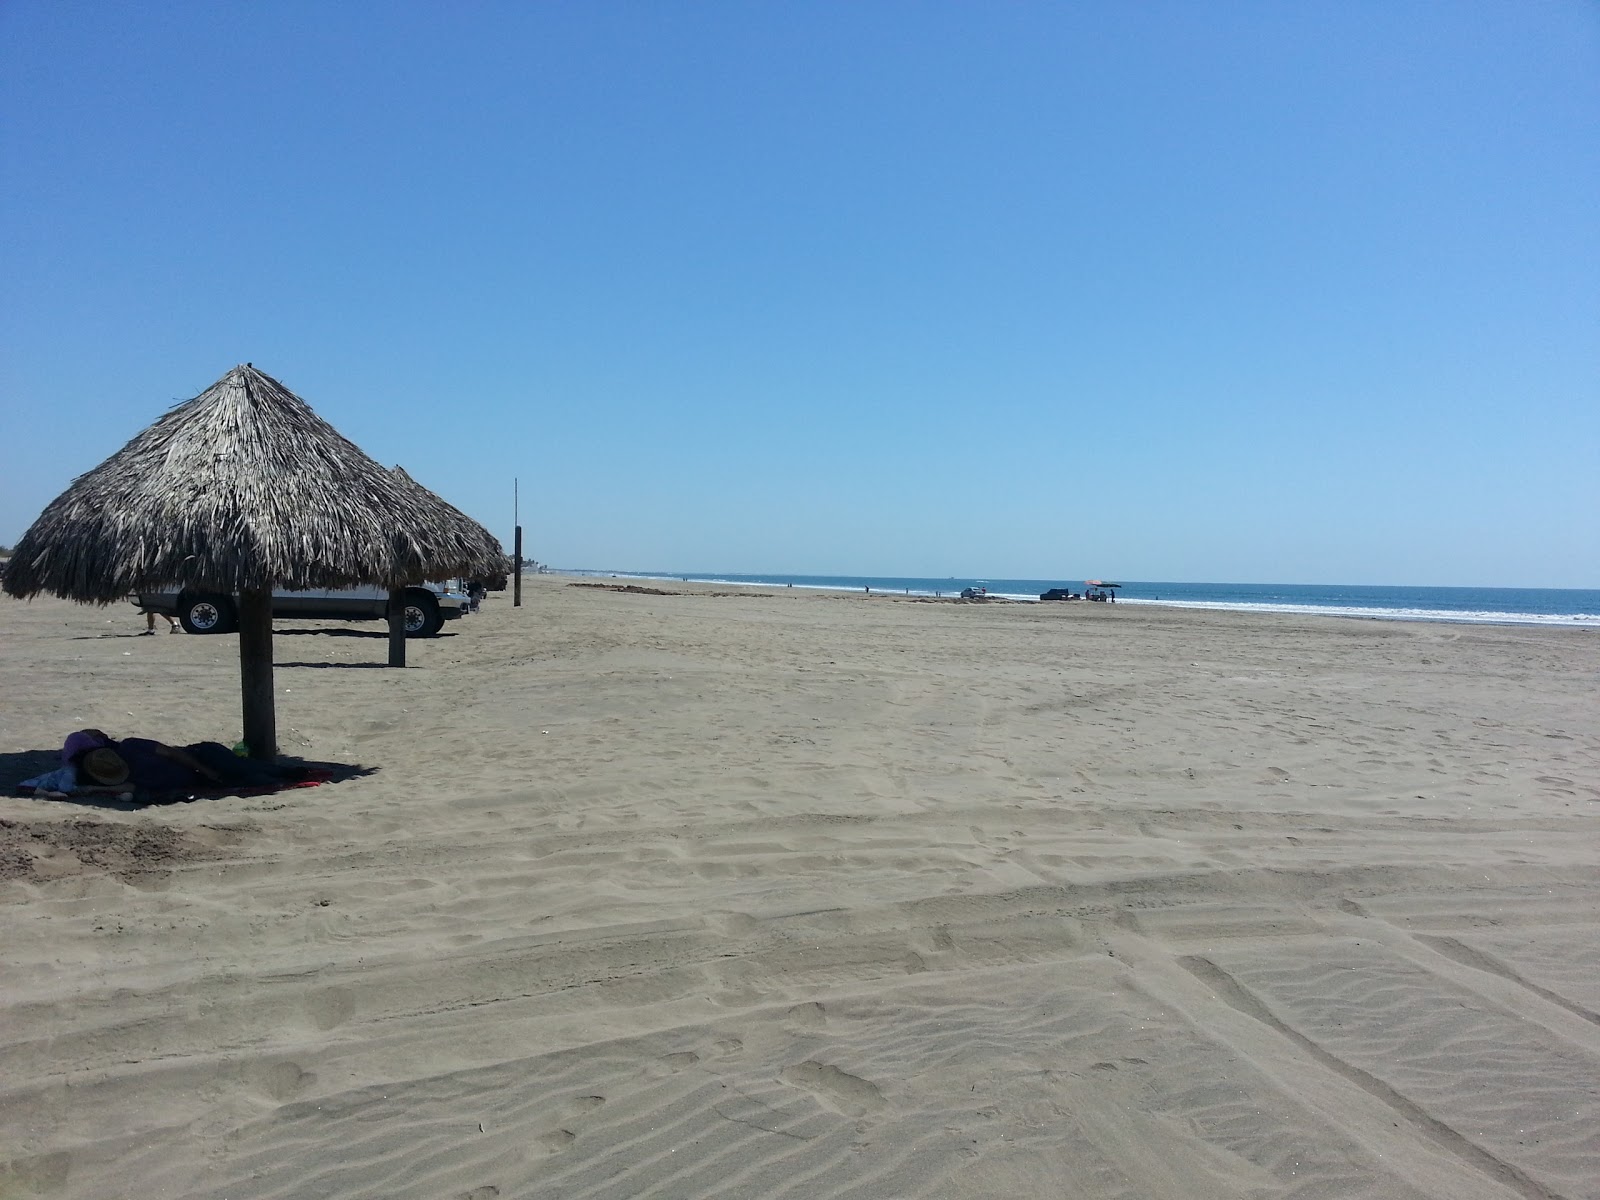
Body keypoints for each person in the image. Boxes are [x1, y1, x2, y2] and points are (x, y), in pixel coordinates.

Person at [62, 729, 306, 797]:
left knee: (247, 770)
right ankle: (289, 775)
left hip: (201, 758)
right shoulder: (110, 770)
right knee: (253, 778)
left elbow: (174, 753)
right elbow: (126, 788)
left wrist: (207, 771)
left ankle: (292, 772)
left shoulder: (130, 746)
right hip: (199, 777)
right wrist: (94, 788)